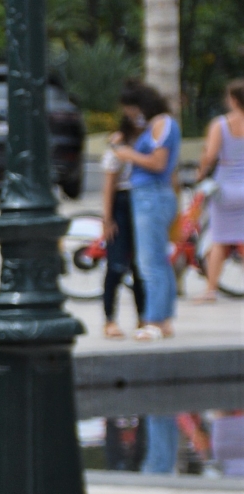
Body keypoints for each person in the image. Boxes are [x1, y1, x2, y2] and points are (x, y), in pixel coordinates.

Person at [110, 79, 181, 339]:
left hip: (150, 194)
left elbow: (158, 162)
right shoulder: (157, 125)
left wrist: (127, 154)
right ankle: (163, 319)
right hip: (154, 195)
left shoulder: (162, 124)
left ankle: (152, 319)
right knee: (158, 260)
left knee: (149, 262)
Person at [95, 112, 144, 340]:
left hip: (143, 201)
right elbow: (109, 185)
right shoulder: (118, 146)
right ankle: (110, 319)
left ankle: (143, 317)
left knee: (140, 266)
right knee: (116, 264)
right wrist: (108, 218)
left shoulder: (149, 144)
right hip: (122, 203)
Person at [195, 78, 244, 303]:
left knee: (219, 239)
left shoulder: (221, 124)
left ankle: (211, 289)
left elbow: (211, 154)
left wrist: (200, 172)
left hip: (224, 189)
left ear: (233, 100)